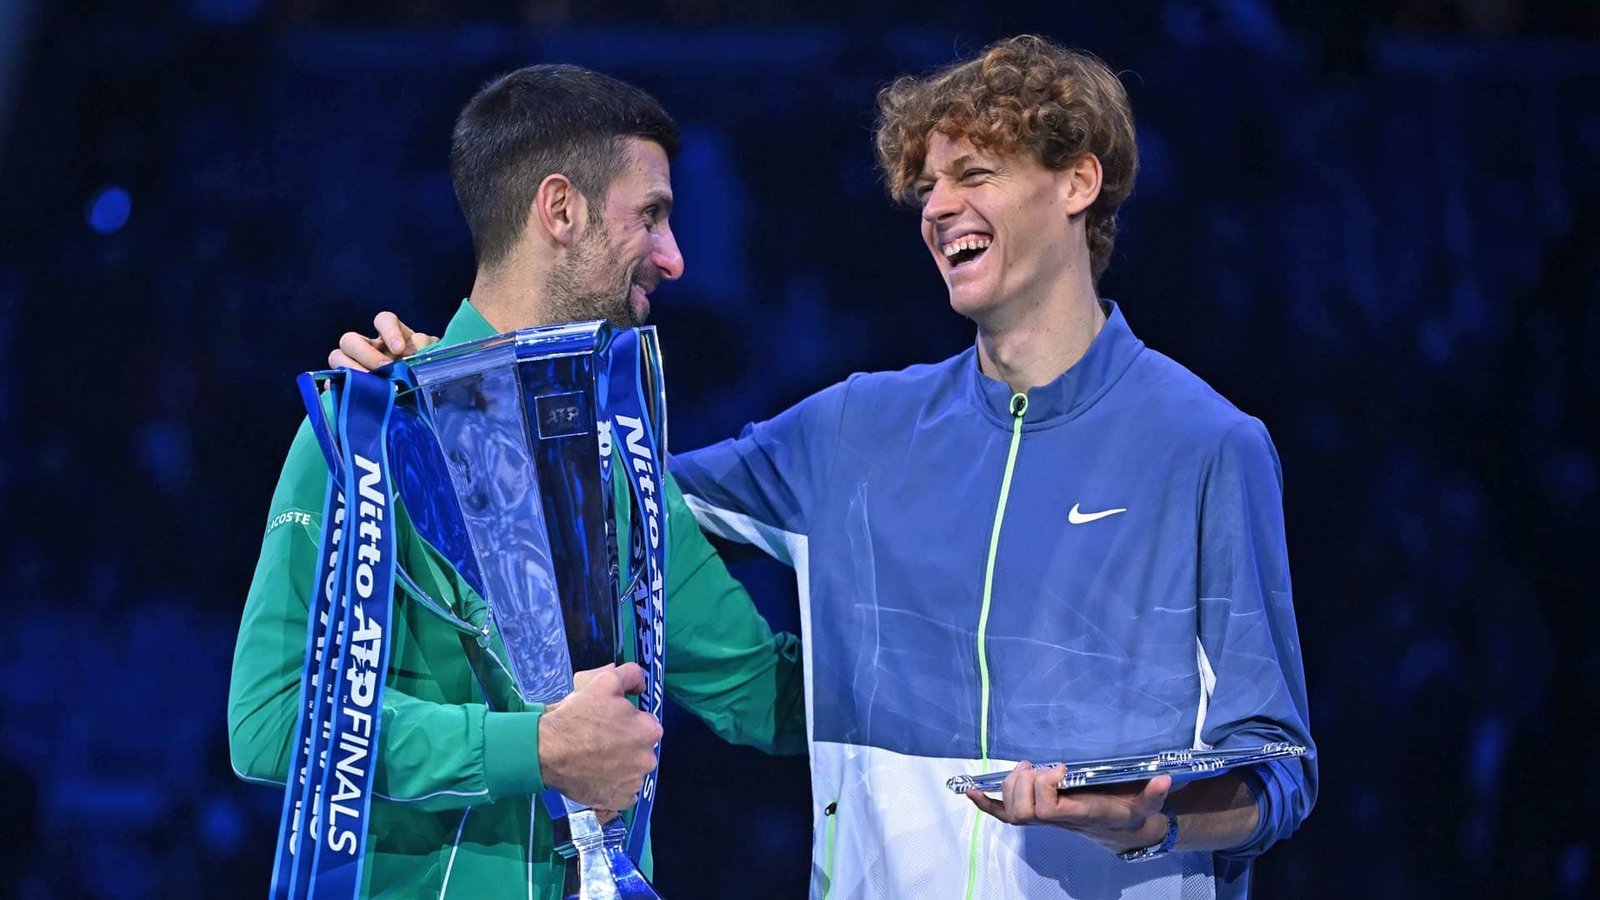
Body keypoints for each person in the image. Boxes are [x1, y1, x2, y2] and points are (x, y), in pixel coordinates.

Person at [340, 35, 1315, 899]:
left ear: (1077, 184)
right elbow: (607, 500)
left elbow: (1274, 766)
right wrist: (435, 395)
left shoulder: (1204, 445)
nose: (937, 207)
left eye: (972, 173)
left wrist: (1153, 819)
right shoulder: (851, 429)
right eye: (924, 186)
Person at [229, 64, 805, 900]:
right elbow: (273, 721)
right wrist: (534, 750)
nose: (674, 259)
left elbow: (761, 695)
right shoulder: (373, 429)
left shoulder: (625, 461)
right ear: (560, 209)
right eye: (650, 217)